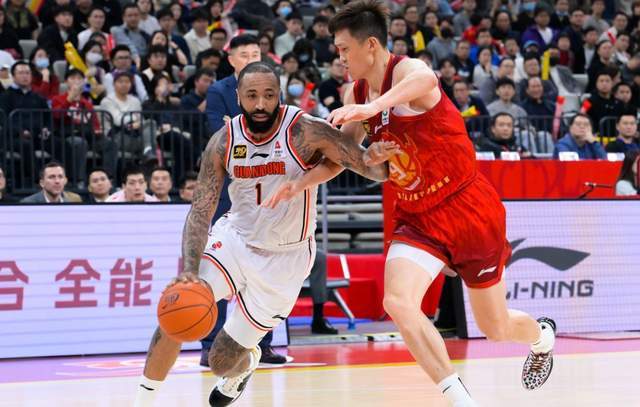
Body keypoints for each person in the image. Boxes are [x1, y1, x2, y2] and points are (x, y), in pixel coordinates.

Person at [266, 2, 558, 405]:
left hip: (466, 208)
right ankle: (460, 399)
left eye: (344, 49)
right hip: (417, 215)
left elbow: (427, 78)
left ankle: (542, 337)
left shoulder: (405, 72)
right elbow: (344, 158)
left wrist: (373, 108)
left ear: (370, 45)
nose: (340, 58)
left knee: (496, 328)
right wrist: (300, 183)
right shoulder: (356, 92)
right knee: (398, 302)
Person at [133, 61, 393, 407]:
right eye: (252, 95)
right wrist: (190, 271)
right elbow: (200, 210)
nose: (260, 104)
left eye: (269, 95)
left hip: (285, 259)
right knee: (177, 311)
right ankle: (141, 401)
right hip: (235, 239)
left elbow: (369, 168)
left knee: (220, 361)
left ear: (279, 96)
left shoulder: (306, 131)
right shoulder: (224, 141)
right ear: (238, 96)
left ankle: (244, 364)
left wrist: (378, 155)